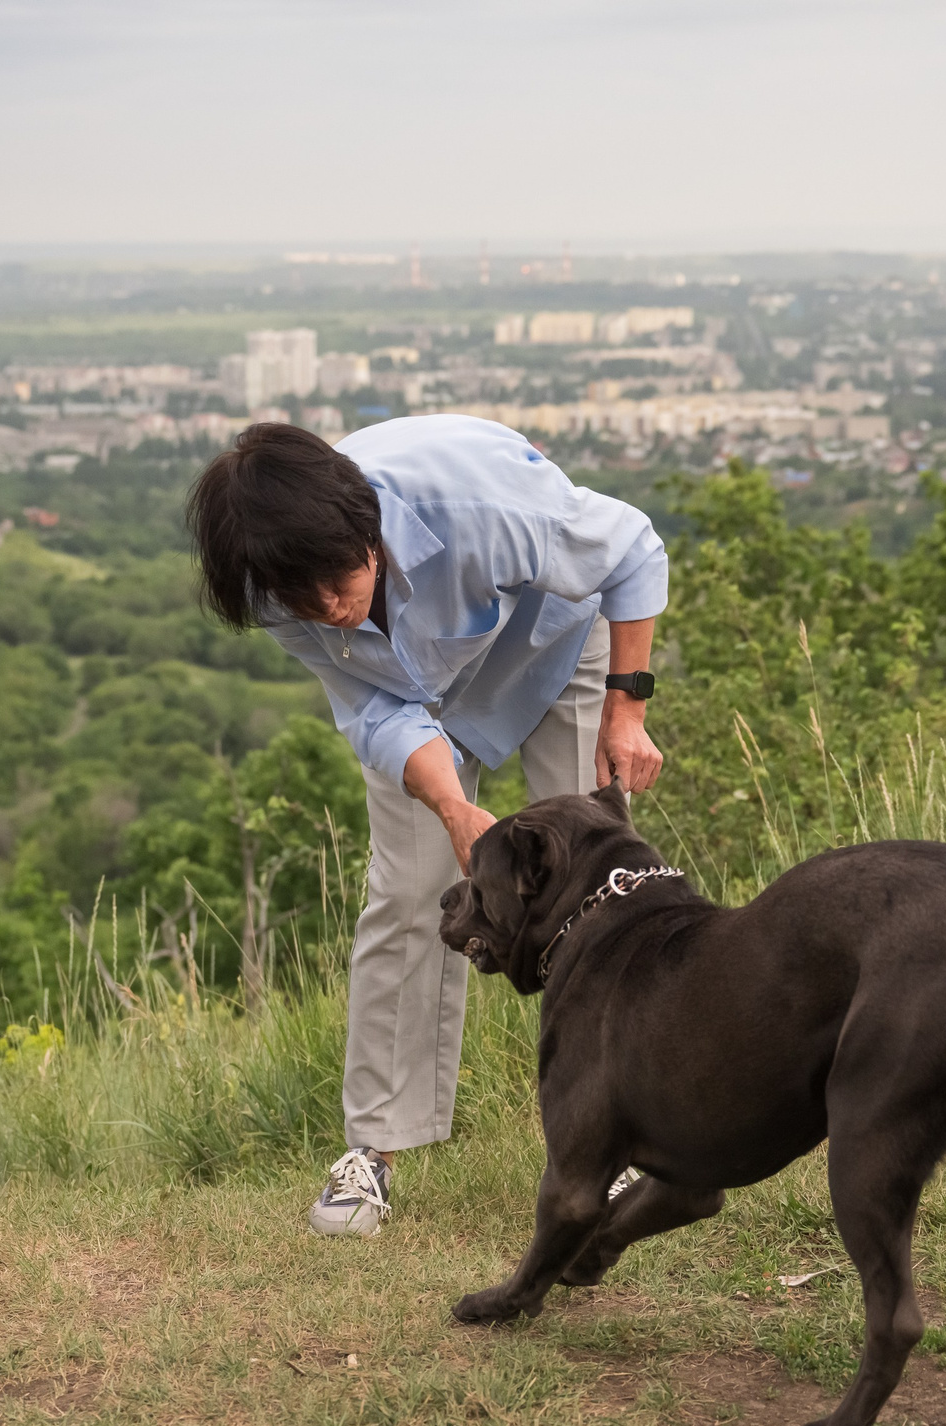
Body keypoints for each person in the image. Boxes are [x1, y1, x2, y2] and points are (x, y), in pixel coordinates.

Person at [187, 416, 668, 1236]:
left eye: (337, 584)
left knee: (601, 890)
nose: (328, 613)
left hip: (554, 640)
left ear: (366, 533)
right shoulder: (275, 584)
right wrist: (453, 806)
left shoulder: (476, 503)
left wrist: (629, 707)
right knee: (411, 893)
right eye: (303, 603)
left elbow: (632, 550)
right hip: (421, 704)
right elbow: (376, 711)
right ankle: (371, 1152)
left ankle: (631, 1136)